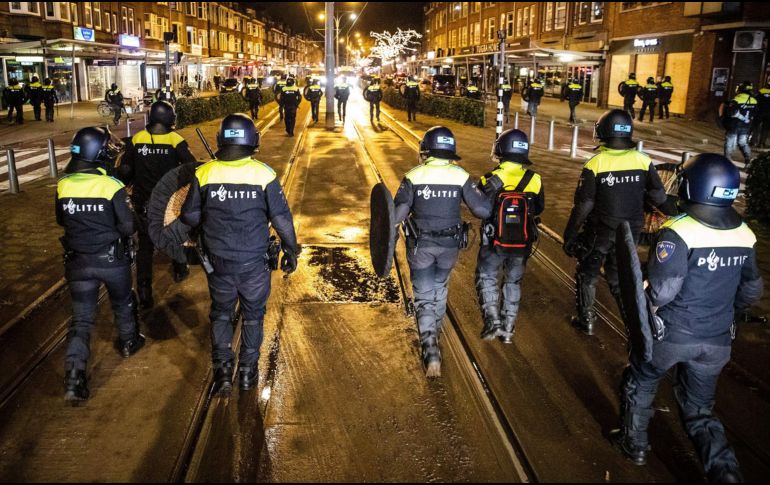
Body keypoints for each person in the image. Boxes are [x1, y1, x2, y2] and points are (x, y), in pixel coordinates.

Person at [611, 153, 763, 483]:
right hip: (717, 342)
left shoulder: (679, 231)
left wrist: (643, 306)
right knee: (699, 409)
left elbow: (663, 291)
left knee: (642, 380)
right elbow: (751, 290)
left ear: (693, 186)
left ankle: (634, 444)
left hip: (672, 336)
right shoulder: (745, 234)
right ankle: (726, 474)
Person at [181, 114, 299, 395]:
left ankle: (222, 374)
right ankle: (247, 373)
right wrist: (291, 250)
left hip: (218, 264)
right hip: (254, 265)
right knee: (253, 316)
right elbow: (282, 219)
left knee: (221, 314)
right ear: (252, 140)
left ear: (220, 139)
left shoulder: (205, 173)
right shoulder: (264, 174)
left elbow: (189, 216)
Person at [393, 126, 491, 377]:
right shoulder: (461, 176)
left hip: (421, 247)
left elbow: (397, 215)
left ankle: (430, 349)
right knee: (440, 287)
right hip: (449, 247)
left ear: (425, 151)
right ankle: (434, 333)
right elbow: (482, 210)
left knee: (424, 296)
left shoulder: (413, 176)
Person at [56, 127, 144, 401]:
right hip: (111, 260)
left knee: (81, 320)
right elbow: (128, 226)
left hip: (79, 262)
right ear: (98, 154)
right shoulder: (111, 186)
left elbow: (61, 220)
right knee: (122, 302)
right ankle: (129, 342)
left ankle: (74, 376)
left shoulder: (64, 185)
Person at [562, 109, 668, 335]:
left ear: (603, 132)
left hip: (599, 233)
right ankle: (634, 327)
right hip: (630, 234)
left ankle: (587, 321)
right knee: (621, 280)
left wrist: (570, 234)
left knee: (587, 272)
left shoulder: (596, 164)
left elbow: (584, 204)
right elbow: (659, 196)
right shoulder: (643, 161)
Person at [117, 101, 197, 309]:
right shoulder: (175, 139)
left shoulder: (138, 139)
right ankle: (180, 268)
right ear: (170, 118)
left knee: (145, 247)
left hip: (143, 203)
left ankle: (144, 291)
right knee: (175, 236)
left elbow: (125, 170)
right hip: (168, 203)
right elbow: (191, 167)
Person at [475, 129, 544, 343]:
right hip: (521, 242)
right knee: (514, 281)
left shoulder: (488, 179)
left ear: (500, 149)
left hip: (493, 241)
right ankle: (508, 329)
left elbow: (481, 210)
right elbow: (539, 209)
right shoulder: (535, 179)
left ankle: (493, 320)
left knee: (486, 277)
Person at [722, 81, 757, 165]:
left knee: (729, 143)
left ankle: (727, 162)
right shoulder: (754, 100)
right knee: (743, 143)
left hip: (734, 125)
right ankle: (748, 160)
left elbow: (731, 113)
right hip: (746, 126)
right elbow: (755, 114)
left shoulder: (737, 99)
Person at [752, 78, 770, 148]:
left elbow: (756, 100)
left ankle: (754, 141)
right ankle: (762, 143)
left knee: (756, 127)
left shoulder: (761, 91)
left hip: (760, 112)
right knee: (765, 128)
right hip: (769, 114)